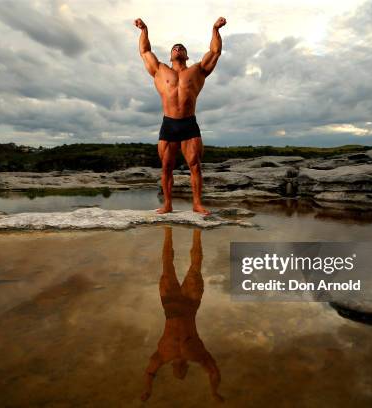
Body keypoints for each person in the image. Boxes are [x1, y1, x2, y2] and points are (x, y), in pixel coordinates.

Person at [134, 17, 227, 215]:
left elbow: (215, 52)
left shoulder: (198, 71)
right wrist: (144, 30)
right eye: (174, 48)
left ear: (186, 55)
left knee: (195, 165)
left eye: (181, 48)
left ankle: (197, 204)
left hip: (189, 124)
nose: (177, 49)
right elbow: (144, 51)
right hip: (169, 124)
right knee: (166, 166)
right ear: (170, 56)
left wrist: (215, 29)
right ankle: (167, 204)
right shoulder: (159, 70)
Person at [141, 227, 223, 402]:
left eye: (177, 373)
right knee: (193, 265)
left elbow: (149, 373)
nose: (179, 371)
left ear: (173, 369)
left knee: (167, 263)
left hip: (171, 305)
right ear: (185, 369)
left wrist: (148, 390)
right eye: (182, 372)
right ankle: (197, 230)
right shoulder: (197, 355)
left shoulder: (163, 355)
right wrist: (214, 392)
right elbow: (213, 371)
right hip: (189, 305)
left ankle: (168, 230)